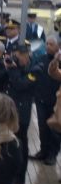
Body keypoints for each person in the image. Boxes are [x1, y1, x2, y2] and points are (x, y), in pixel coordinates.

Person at [6, 42, 41, 184]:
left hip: (22, 111)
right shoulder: (19, 66)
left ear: (25, 56)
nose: (16, 59)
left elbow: (21, 85)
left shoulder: (34, 68)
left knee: (21, 143)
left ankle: (20, 176)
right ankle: (12, 172)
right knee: (11, 142)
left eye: (18, 57)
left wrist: (13, 70)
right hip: (11, 108)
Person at [30, 36, 60, 166]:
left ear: (58, 47)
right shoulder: (41, 59)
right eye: (47, 43)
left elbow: (55, 74)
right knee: (42, 127)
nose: (48, 46)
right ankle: (43, 151)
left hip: (56, 102)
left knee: (54, 129)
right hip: (41, 99)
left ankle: (52, 154)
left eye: (51, 44)